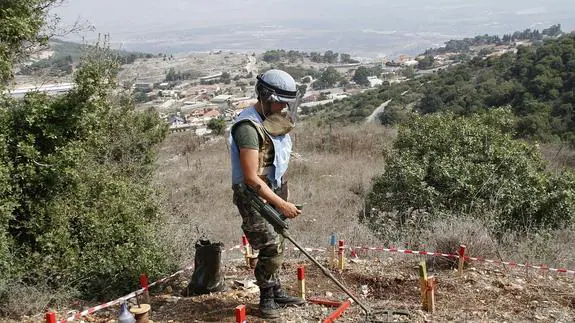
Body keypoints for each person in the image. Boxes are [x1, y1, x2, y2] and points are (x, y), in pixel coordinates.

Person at [229, 69, 305, 318]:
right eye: (279, 101)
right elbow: (251, 177)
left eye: (287, 102)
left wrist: (283, 193)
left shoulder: (272, 119)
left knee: (279, 239)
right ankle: (266, 299)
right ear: (264, 96)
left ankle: (277, 290)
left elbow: (276, 161)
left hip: (273, 189)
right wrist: (281, 204)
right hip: (254, 196)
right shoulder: (247, 128)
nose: (283, 107)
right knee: (270, 245)